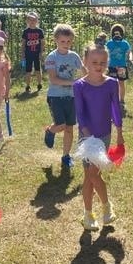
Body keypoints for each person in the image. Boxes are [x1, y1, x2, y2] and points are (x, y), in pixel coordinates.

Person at [74, 43, 124, 230]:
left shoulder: (111, 83)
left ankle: (98, 211)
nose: (98, 65)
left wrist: (119, 133)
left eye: (103, 62)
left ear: (107, 63)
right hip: (87, 138)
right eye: (94, 62)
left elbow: (115, 109)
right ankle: (95, 211)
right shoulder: (79, 85)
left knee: (92, 174)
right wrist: (88, 136)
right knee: (90, 175)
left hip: (104, 135)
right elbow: (80, 113)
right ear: (85, 61)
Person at [43, 24, 83, 169]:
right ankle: (50, 130)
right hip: (55, 96)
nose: (66, 44)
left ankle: (66, 156)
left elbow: (84, 71)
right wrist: (73, 82)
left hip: (71, 97)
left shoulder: (74, 56)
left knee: (69, 128)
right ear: (56, 40)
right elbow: (53, 79)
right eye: (62, 41)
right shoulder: (52, 57)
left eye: (69, 41)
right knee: (61, 125)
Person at [105, 23, 132, 110]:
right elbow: (105, 52)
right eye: (115, 32)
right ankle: (112, 99)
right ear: (112, 33)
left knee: (121, 83)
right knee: (112, 83)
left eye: (119, 32)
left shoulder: (125, 43)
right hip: (111, 66)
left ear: (122, 33)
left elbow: (129, 52)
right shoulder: (109, 43)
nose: (117, 35)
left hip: (122, 66)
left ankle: (122, 100)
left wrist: (130, 58)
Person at [21, 11, 45, 93]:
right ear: (27, 21)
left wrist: (41, 53)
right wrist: (22, 53)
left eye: (34, 19)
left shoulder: (40, 31)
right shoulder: (26, 31)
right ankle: (27, 86)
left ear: (37, 20)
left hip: (37, 54)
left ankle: (39, 85)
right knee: (28, 71)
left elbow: (42, 43)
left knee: (38, 70)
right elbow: (23, 43)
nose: (32, 21)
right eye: (30, 20)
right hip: (28, 54)